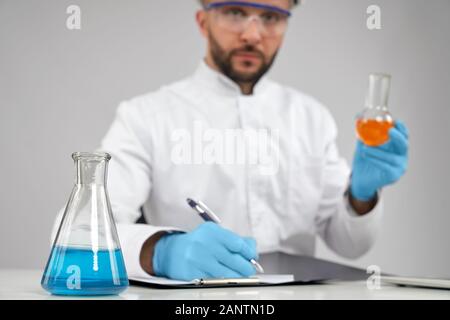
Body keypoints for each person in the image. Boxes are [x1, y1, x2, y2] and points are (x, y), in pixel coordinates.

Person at [52, 0, 409, 281]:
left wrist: (361, 196)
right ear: (202, 20)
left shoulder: (312, 118)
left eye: (271, 17)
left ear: (286, 24)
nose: (253, 34)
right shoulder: (145, 116)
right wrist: (163, 252)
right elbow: (79, 234)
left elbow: (350, 244)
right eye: (236, 12)